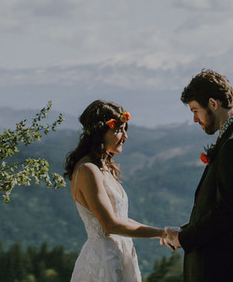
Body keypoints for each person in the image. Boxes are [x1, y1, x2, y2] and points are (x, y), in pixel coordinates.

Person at [162, 69, 233, 282]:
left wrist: (183, 238)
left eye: (196, 110)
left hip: (218, 267)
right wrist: (183, 230)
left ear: (213, 104)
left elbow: (226, 212)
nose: (194, 119)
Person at [65, 100, 167, 282]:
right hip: (104, 261)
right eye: (119, 130)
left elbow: (120, 218)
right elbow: (110, 225)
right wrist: (161, 233)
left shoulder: (103, 168)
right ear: (100, 133)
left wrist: (162, 231)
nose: (125, 136)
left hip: (120, 254)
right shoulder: (88, 170)